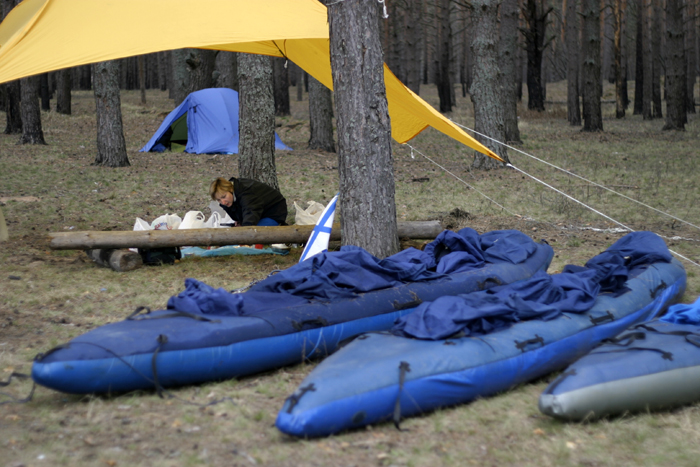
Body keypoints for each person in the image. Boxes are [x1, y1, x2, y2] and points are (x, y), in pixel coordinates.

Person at [209, 177, 288, 227]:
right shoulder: (231, 197)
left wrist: (244, 227)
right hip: (260, 213)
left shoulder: (246, 193)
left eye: (224, 197)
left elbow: (251, 211)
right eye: (219, 200)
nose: (222, 202)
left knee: (255, 233)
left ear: (230, 189)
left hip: (274, 213)